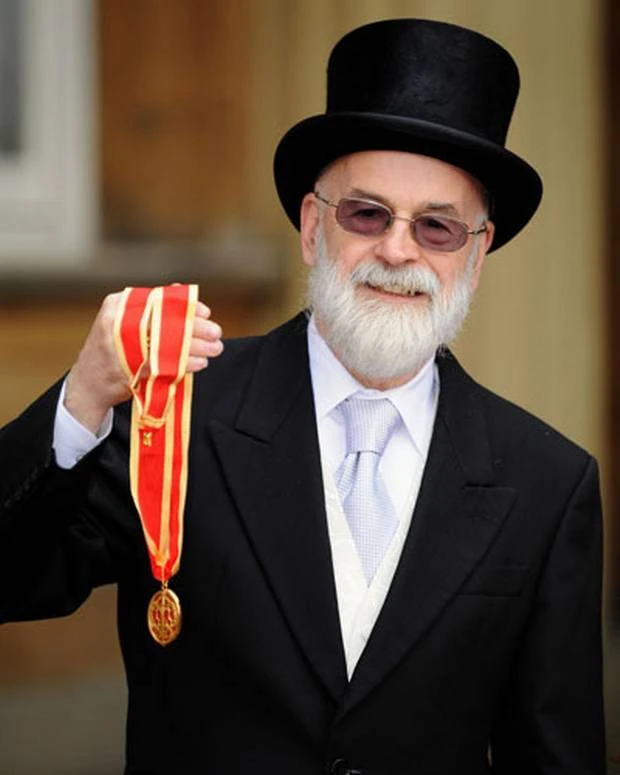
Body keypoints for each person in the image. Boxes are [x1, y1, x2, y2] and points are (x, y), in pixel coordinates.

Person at [0, 18, 606, 775]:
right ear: (314, 226)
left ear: (476, 255)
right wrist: (84, 396)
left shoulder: (549, 483)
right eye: (367, 214)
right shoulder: (176, 415)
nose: (397, 250)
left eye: (437, 228)